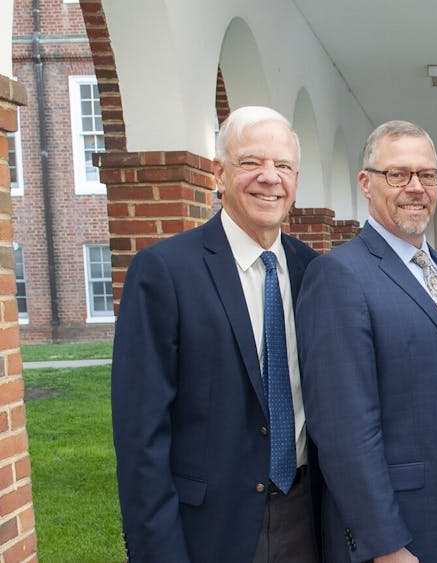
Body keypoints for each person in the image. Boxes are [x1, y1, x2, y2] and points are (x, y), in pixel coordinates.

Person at [111, 106, 320, 562]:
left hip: (307, 516)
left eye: (283, 165)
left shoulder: (314, 272)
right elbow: (140, 435)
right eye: (251, 162)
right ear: (219, 173)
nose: (270, 177)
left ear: (296, 181)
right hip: (209, 528)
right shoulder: (165, 272)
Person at [296, 120, 437, 563]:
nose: (415, 187)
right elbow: (342, 430)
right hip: (397, 532)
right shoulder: (339, 276)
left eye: (427, 175)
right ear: (366, 183)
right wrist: (384, 543)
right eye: (398, 174)